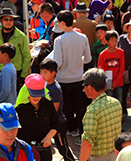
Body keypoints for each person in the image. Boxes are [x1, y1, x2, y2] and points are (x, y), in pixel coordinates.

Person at [53, 11, 92, 141]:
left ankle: (71, 129)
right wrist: (77, 61)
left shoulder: (59, 40)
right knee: (80, 108)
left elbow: (58, 62)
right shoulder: (83, 37)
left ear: (63, 23)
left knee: (67, 109)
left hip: (63, 79)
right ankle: (82, 134)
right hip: (79, 78)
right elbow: (88, 59)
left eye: (58, 22)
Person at [79, 68, 122, 161]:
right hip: (116, 153)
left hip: (99, 157)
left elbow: (87, 143)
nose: (83, 89)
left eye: (84, 86)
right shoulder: (116, 102)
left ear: (90, 87)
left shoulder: (92, 111)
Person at [15, 74, 59, 161]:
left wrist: (48, 137)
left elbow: (56, 123)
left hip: (44, 150)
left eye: (39, 93)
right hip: (25, 151)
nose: (36, 97)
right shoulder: (20, 108)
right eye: (33, 94)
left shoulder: (47, 104)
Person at [39, 59, 75, 161]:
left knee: (63, 148)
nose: (42, 75)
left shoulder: (55, 89)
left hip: (58, 124)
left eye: (45, 72)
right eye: (41, 72)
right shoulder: (45, 85)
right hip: (50, 123)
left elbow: (54, 109)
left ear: (53, 73)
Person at [0, 8, 31, 86]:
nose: (8, 22)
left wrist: (23, 75)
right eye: (6, 19)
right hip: (0, 70)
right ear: (1, 20)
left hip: (16, 72)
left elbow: (27, 56)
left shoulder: (21, 36)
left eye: (11, 19)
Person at [98, 30, 125, 103]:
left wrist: (116, 82)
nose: (114, 43)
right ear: (107, 42)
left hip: (119, 83)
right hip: (108, 83)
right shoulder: (102, 54)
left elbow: (122, 68)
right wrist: (105, 84)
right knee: (109, 103)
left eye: (116, 41)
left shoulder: (121, 52)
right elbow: (101, 70)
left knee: (119, 102)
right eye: (112, 41)